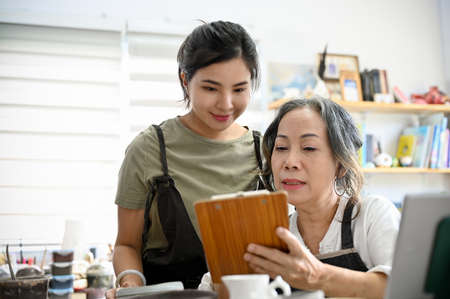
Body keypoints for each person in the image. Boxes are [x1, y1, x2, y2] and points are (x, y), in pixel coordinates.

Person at [107, 20, 265, 297]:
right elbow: (126, 245)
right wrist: (131, 286)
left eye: (239, 89)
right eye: (211, 88)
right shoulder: (148, 149)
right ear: (185, 80)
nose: (226, 104)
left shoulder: (266, 151)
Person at [243, 97, 400, 299]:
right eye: (281, 148)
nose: (290, 163)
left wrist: (316, 276)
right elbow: (214, 285)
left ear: (341, 164)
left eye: (308, 148)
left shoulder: (371, 215)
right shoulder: (273, 234)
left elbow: (403, 288)